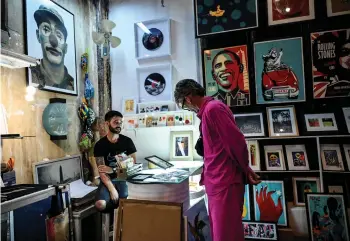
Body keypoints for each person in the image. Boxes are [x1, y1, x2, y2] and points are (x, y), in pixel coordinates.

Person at [174, 79, 261, 241]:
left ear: (187, 98)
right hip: (218, 180)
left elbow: (236, 143)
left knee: (225, 232)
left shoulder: (213, 109)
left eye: (183, 104)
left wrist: (246, 169)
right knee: (220, 230)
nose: (187, 108)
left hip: (224, 181)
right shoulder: (208, 111)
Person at [94, 111, 137, 212]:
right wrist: (111, 189)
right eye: (116, 122)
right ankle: (112, 221)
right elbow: (102, 171)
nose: (119, 125)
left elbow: (133, 164)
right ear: (107, 123)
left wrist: (113, 169)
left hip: (124, 178)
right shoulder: (99, 145)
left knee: (124, 205)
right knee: (100, 204)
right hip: (108, 180)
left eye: (120, 122)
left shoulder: (127, 141)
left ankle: (119, 221)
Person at [31, 5, 74, 90]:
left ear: (65, 48)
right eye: (46, 29)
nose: (53, 41)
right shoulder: (32, 75)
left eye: (59, 35)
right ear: (38, 35)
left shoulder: (72, 84)